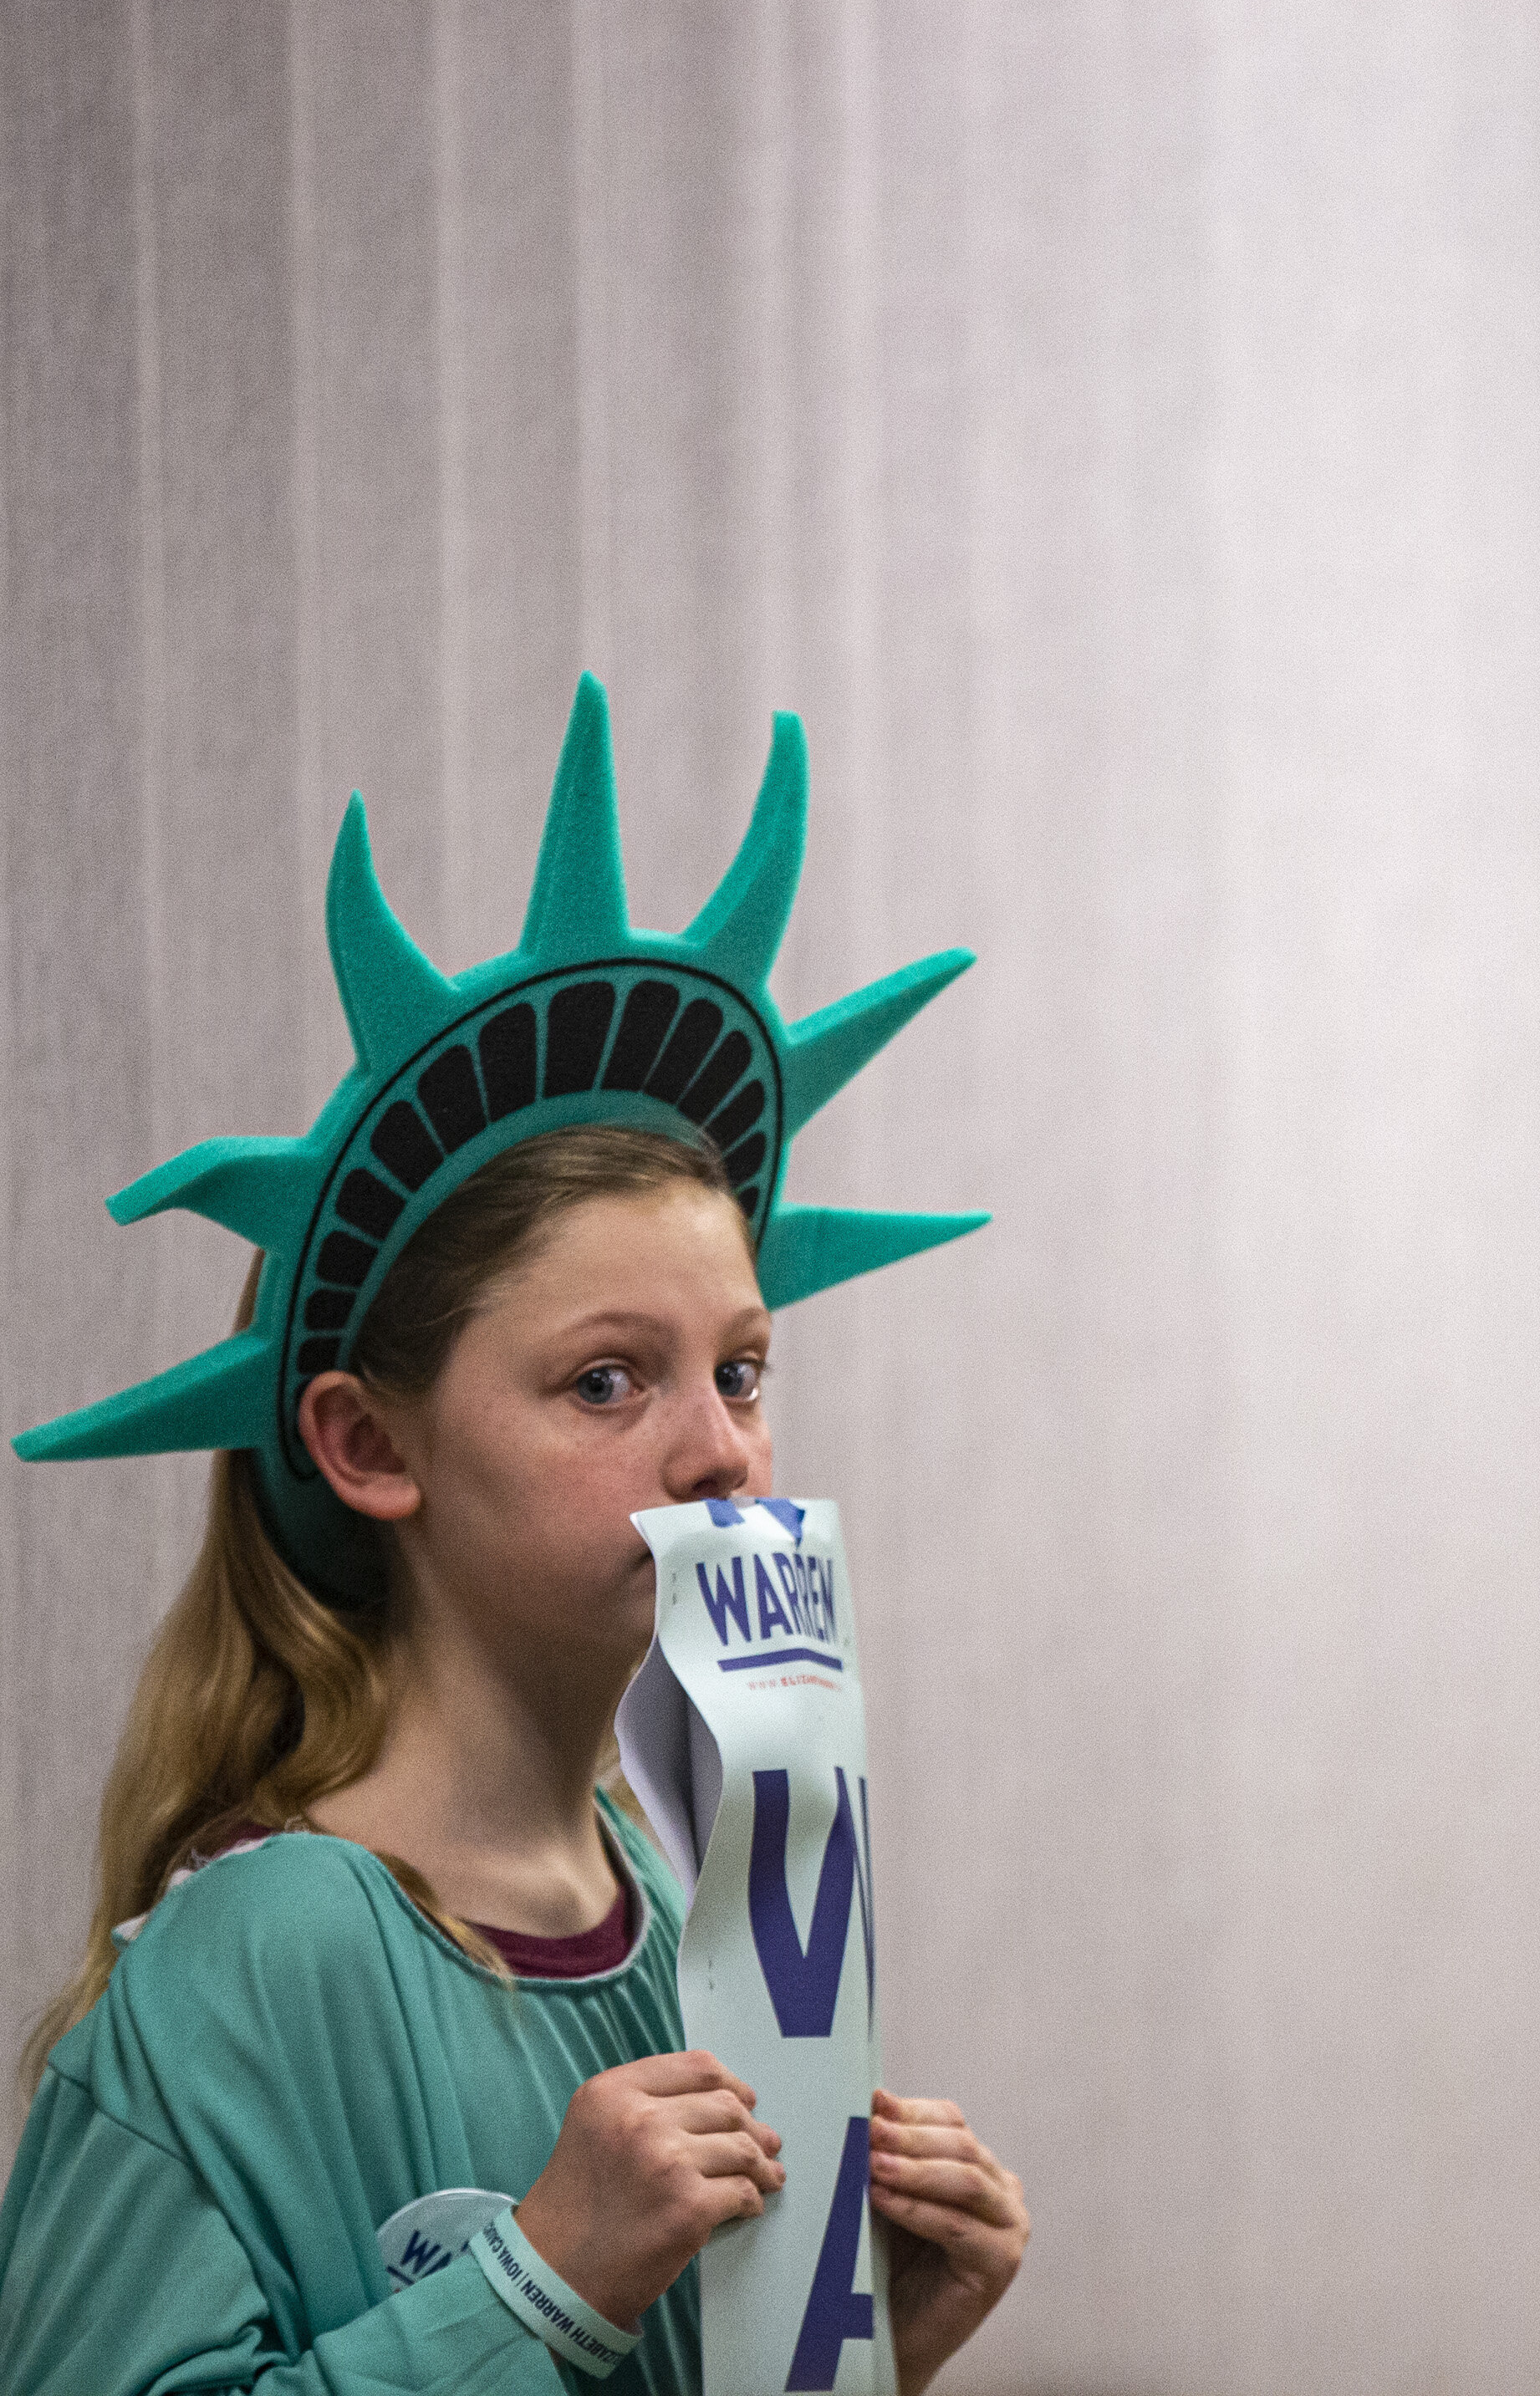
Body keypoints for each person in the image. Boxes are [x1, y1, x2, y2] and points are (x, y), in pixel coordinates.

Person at [0, 683, 1027, 2393]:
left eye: (743, 1368)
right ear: (368, 1440)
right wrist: (535, 2288)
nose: (721, 1451)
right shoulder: (257, 1965)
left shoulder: (695, 1912)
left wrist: (856, 2350)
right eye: (606, 1379)